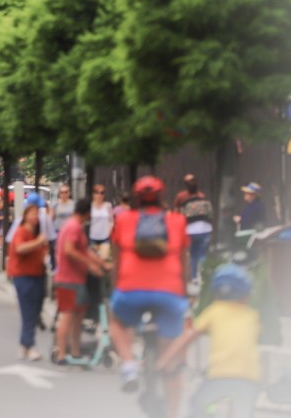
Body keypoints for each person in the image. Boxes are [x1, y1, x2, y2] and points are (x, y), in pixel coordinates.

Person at [109, 175, 188, 415]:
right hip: (169, 293)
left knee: (116, 320)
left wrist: (115, 288)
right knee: (171, 361)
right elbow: (184, 261)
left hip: (130, 291)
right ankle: (172, 411)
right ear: (162, 196)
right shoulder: (177, 221)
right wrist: (184, 291)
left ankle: (129, 365)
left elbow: (116, 259)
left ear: (136, 198)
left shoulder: (124, 220)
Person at [158, 265, 262, 418]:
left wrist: (164, 360)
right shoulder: (252, 316)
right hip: (250, 379)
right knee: (244, 412)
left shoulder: (215, 310)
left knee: (199, 404)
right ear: (245, 296)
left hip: (220, 375)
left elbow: (189, 336)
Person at [53, 198, 109, 364]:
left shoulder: (74, 226)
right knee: (68, 316)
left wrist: (102, 264)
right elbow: (69, 250)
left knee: (78, 317)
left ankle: (75, 351)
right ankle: (61, 353)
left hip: (76, 279)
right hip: (68, 279)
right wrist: (90, 265)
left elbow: (84, 251)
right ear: (87, 212)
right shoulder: (74, 227)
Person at [8, 204, 49, 361]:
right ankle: (29, 344)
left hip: (37, 275)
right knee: (29, 312)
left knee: (34, 312)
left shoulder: (35, 233)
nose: (35, 217)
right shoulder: (22, 231)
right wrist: (38, 242)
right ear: (25, 216)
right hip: (24, 276)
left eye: (37, 214)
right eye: (32, 214)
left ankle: (25, 345)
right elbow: (19, 248)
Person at [176, 176, 213, 282]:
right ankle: (202, 276)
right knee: (202, 253)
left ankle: (194, 277)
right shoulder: (205, 201)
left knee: (193, 254)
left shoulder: (185, 204)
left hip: (191, 231)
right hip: (205, 229)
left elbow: (181, 218)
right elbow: (210, 214)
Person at [89, 184, 115, 258]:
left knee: (104, 258)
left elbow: (111, 220)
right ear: (93, 194)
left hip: (105, 237)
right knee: (94, 260)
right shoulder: (90, 206)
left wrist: (109, 232)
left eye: (102, 193)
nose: (99, 195)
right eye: (97, 193)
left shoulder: (108, 205)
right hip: (93, 237)